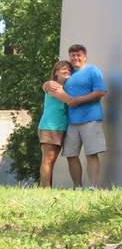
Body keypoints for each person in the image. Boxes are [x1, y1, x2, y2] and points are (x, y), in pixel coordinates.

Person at [44, 44, 108, 188]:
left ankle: (92, 187)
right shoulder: (69, 75)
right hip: (71, 122)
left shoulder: (92, 70)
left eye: (78, 55)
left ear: (84, 57)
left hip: (91, 119)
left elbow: (100, 92)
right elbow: (54, 82)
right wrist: (46, 84)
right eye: (72, 55)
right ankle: (78, 187)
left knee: (91, 154)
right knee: (71, 155)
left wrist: (77, 101)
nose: (75, 58)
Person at [37, 60, 74, 188]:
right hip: (50, 126)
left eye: (69, 69)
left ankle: (44, 187)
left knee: (51, 160)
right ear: (56, 72)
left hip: (60, 127)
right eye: (63, 68)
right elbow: (69, 100)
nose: (66, 70)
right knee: (48, 159)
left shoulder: (67, 87)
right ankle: (45, 189)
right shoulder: (53, 85)